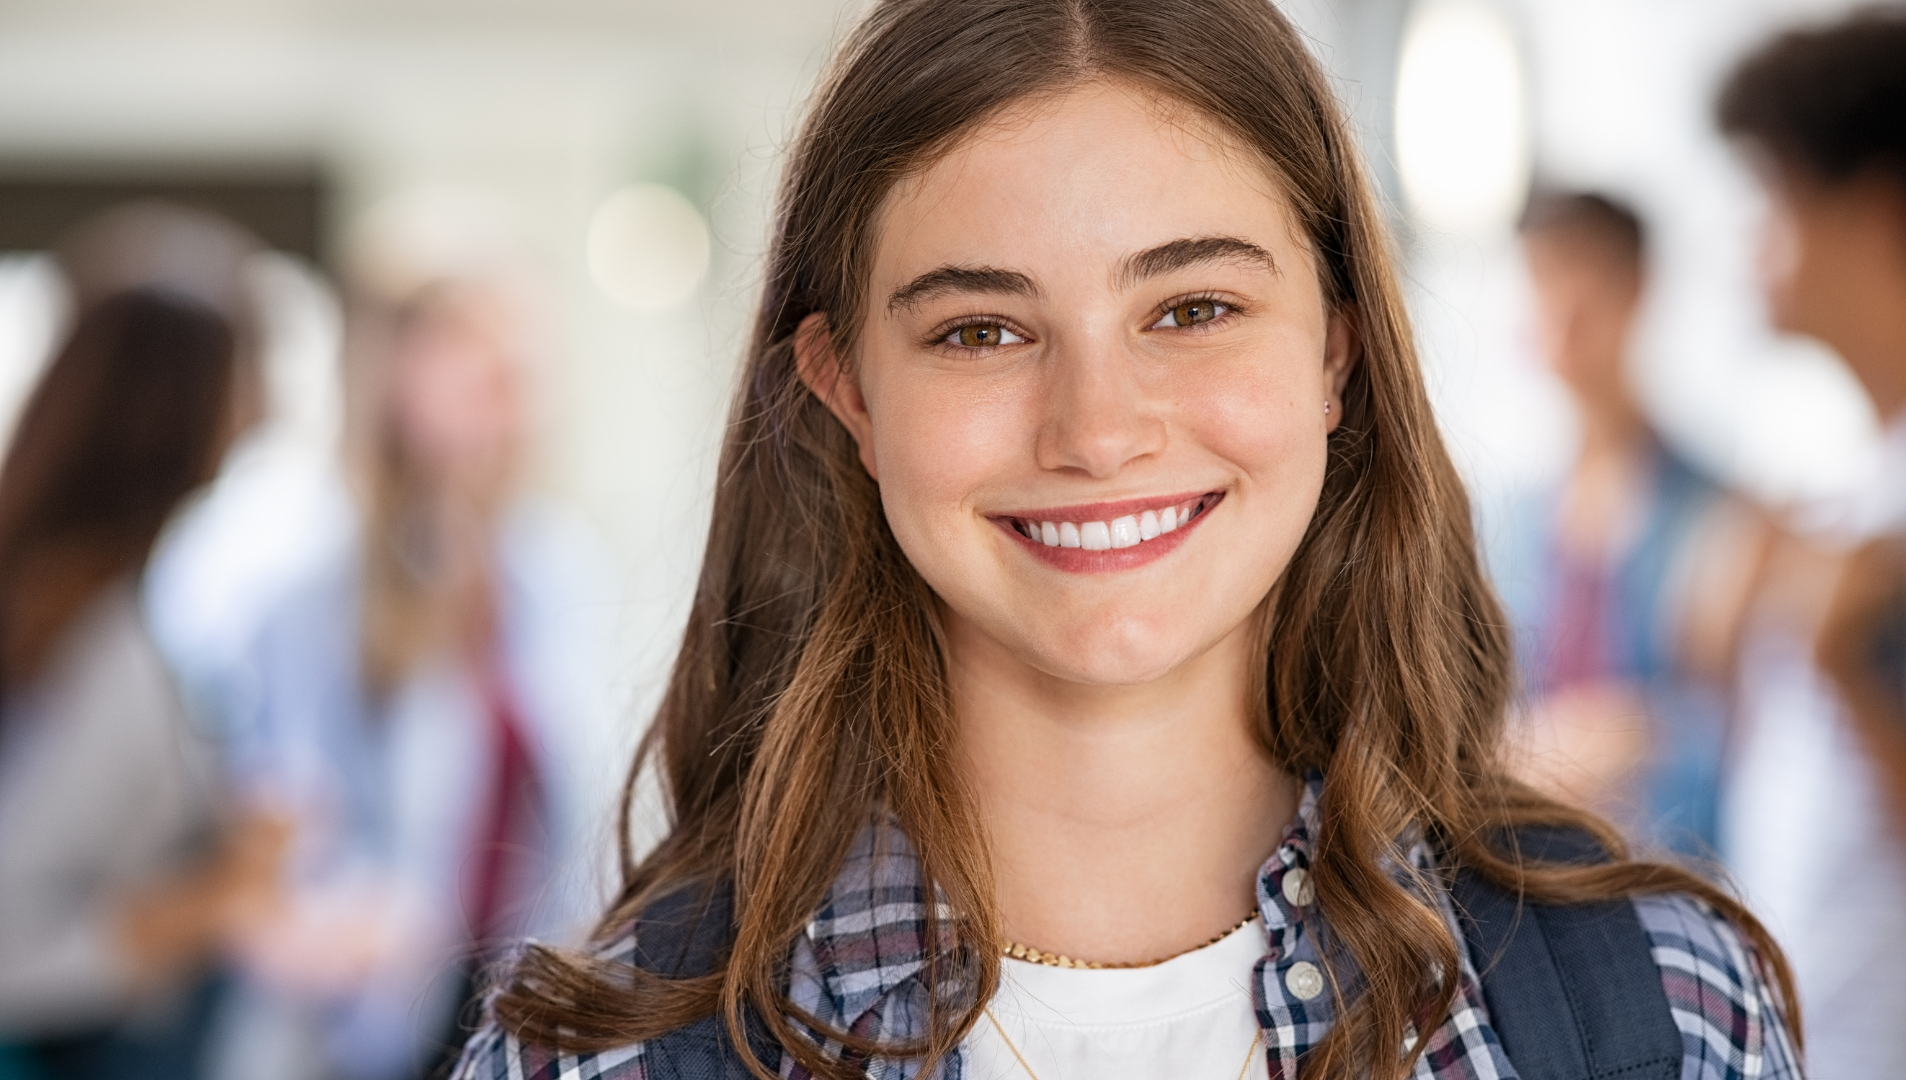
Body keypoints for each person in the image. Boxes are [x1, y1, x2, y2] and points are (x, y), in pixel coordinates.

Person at [458, 2, 1803, 1078]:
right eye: (980, 330)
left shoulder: (1665, 1007)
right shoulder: (593, 1061)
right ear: (849, 394)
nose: (1098, 432)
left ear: (1335, 348)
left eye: (1192, 308)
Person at [212, 261, 624, 1080]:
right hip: (351, 1032)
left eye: (513, 346)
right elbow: (276, 824)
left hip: (515, 1015)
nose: (505, 368)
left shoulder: (552, 567)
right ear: (393, 376)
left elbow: (581, 808)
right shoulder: (309, 580)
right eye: (467, 341)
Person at [0, 204, 284, 1080]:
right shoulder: (94, 641)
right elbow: (13, 938)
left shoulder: (100, 603)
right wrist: (212, 900)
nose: (266, 411)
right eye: (250, 373)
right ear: (178, 400)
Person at [1713, 10, 1906, 1077]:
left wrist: (1845, 667)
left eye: (1779, 201)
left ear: (1878, 217)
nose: (1753, 243)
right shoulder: (1858, 479)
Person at [1494, 191, 1756, 855]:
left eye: (1581, 277)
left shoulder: (1722, 517)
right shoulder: (1502, 525)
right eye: (1542, 279)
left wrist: (1636, 732)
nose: (1561, 307)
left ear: (1635, 289)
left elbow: (1749, 735)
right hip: (1534, 878)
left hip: (1676, 875)